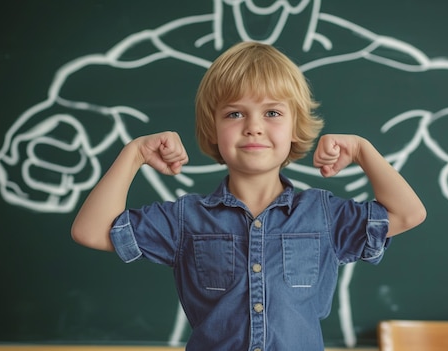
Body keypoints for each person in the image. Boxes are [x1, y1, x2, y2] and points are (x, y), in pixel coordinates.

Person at [71, 41, 426, 351]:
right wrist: (133, 154)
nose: (253, 125)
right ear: (214, 129)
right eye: (234, 113)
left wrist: (364, 152)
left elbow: (408, 214)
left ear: (294, 127)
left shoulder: (324, 215)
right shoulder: (185, 218)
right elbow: (91, 230)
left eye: (272, 112)